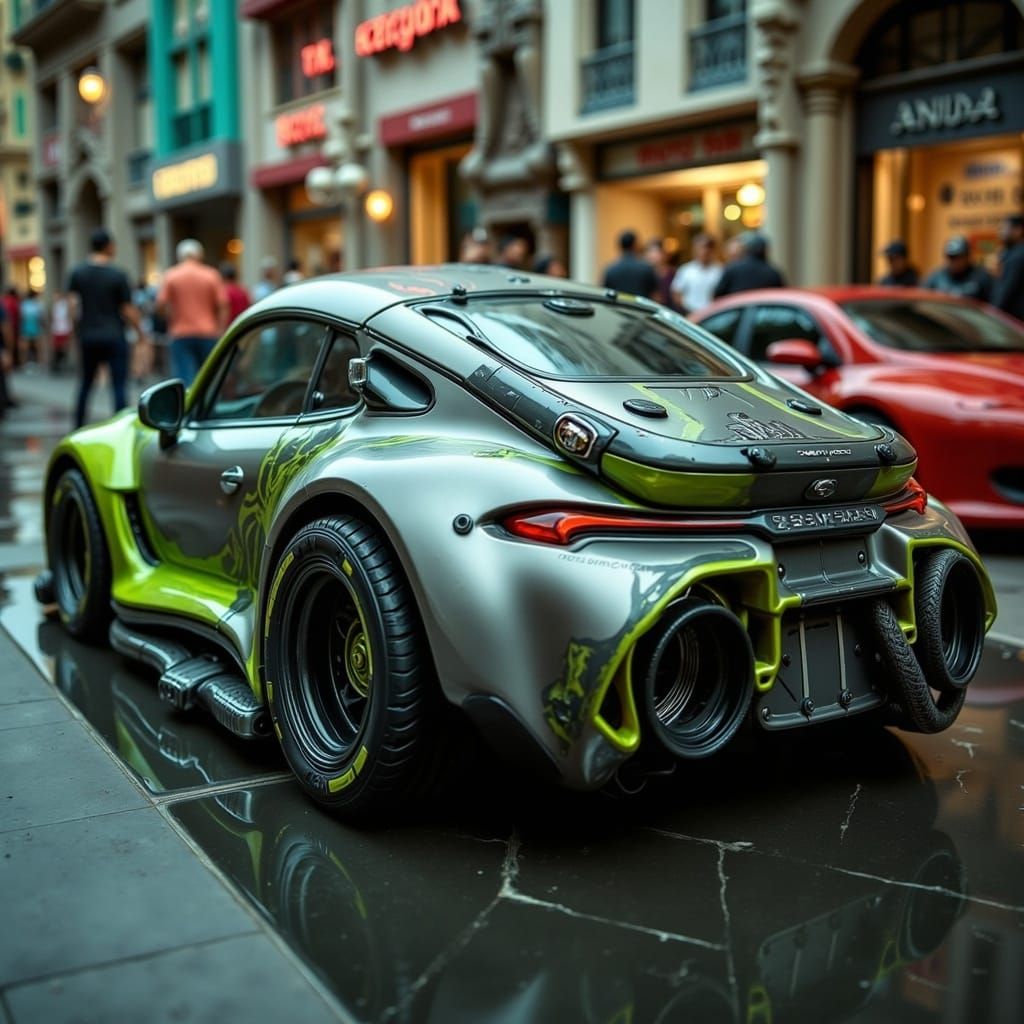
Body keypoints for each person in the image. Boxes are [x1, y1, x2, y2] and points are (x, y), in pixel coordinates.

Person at [67, 227, 143, 429]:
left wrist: (77, 332)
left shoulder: (78, 273)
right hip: (114, 335)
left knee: (85, 384)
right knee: (118, 385)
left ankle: (78, 425)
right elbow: (127, 309)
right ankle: (121, 427)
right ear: (109, 246)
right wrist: (140, 332)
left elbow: (73, 307)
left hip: (89, 336)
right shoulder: (117, 275)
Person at [157, 239, 228, 387]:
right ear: (200, 255)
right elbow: (223, 305)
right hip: (208, 331)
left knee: (185, 378)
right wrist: (221, 329)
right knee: (208, 379)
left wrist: (171, 317)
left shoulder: (171, 275)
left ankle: (189, 409)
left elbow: (161, 305)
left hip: (180, 332)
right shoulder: (211, 274)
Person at [712, 231, 785, 297]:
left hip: (736, 310)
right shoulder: (773, 273)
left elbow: (718, 295)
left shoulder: (732, 269)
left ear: (746, 249)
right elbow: (782, 296)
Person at [923, 236, 993, 302]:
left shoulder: (981, 277)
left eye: (958, 257)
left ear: (967, 257)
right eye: (951, 257)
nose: (954, 262)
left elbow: (992, 306)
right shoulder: (936, 277)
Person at [671, 234, 723, 315]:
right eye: (700, 248)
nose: (703, 251)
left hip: (714, 315)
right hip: (691, 314)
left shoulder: (720, 270)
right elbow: (676, 292)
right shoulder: (686, 270)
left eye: (706, 248)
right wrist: (687, 308)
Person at [602, 229, 658, 299]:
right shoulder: (646, 268)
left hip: (618, 308)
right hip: (641, 308)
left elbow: (606, 294)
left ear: (620, 246)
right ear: (635, 245)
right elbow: (655, 295)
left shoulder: (611, 269)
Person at [992, 214, 1024, 321]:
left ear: (1018, 230)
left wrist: (993, 313)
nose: (1001, 233)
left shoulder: (1018, 255)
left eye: (1005, 228)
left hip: (1014, 321)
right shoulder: (1008, 253)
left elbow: (1007, 290)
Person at [19, 290, 45, 369]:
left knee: (25, 347)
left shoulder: (24, 304)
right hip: (34, 326)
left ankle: (23, 364)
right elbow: (41, 317)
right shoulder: (38, 304)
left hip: (26, 326)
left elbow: (22, 316)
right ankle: (40, 364)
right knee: (38, 347)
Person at [49, 290, 73, 374]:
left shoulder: (65, 305)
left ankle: (62, 364)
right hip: (56, 330)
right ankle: (56, 365)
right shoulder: (55, 306)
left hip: (64, 329)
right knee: (56, 348)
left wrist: (70, 330)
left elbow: (69, 317)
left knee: (64, 348)